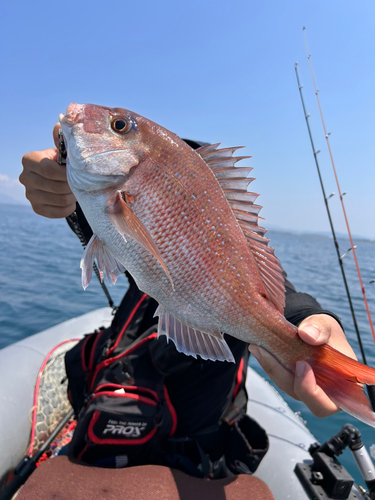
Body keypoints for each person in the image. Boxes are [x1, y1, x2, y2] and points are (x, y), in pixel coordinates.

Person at [18, 124, 357, 497]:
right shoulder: (129, 215)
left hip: (197, 444)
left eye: (118, 126)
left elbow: (271, 289)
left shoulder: (223, 248)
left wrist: (307, 320)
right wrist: (61, 187)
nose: (188, 208)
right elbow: (108, 224)